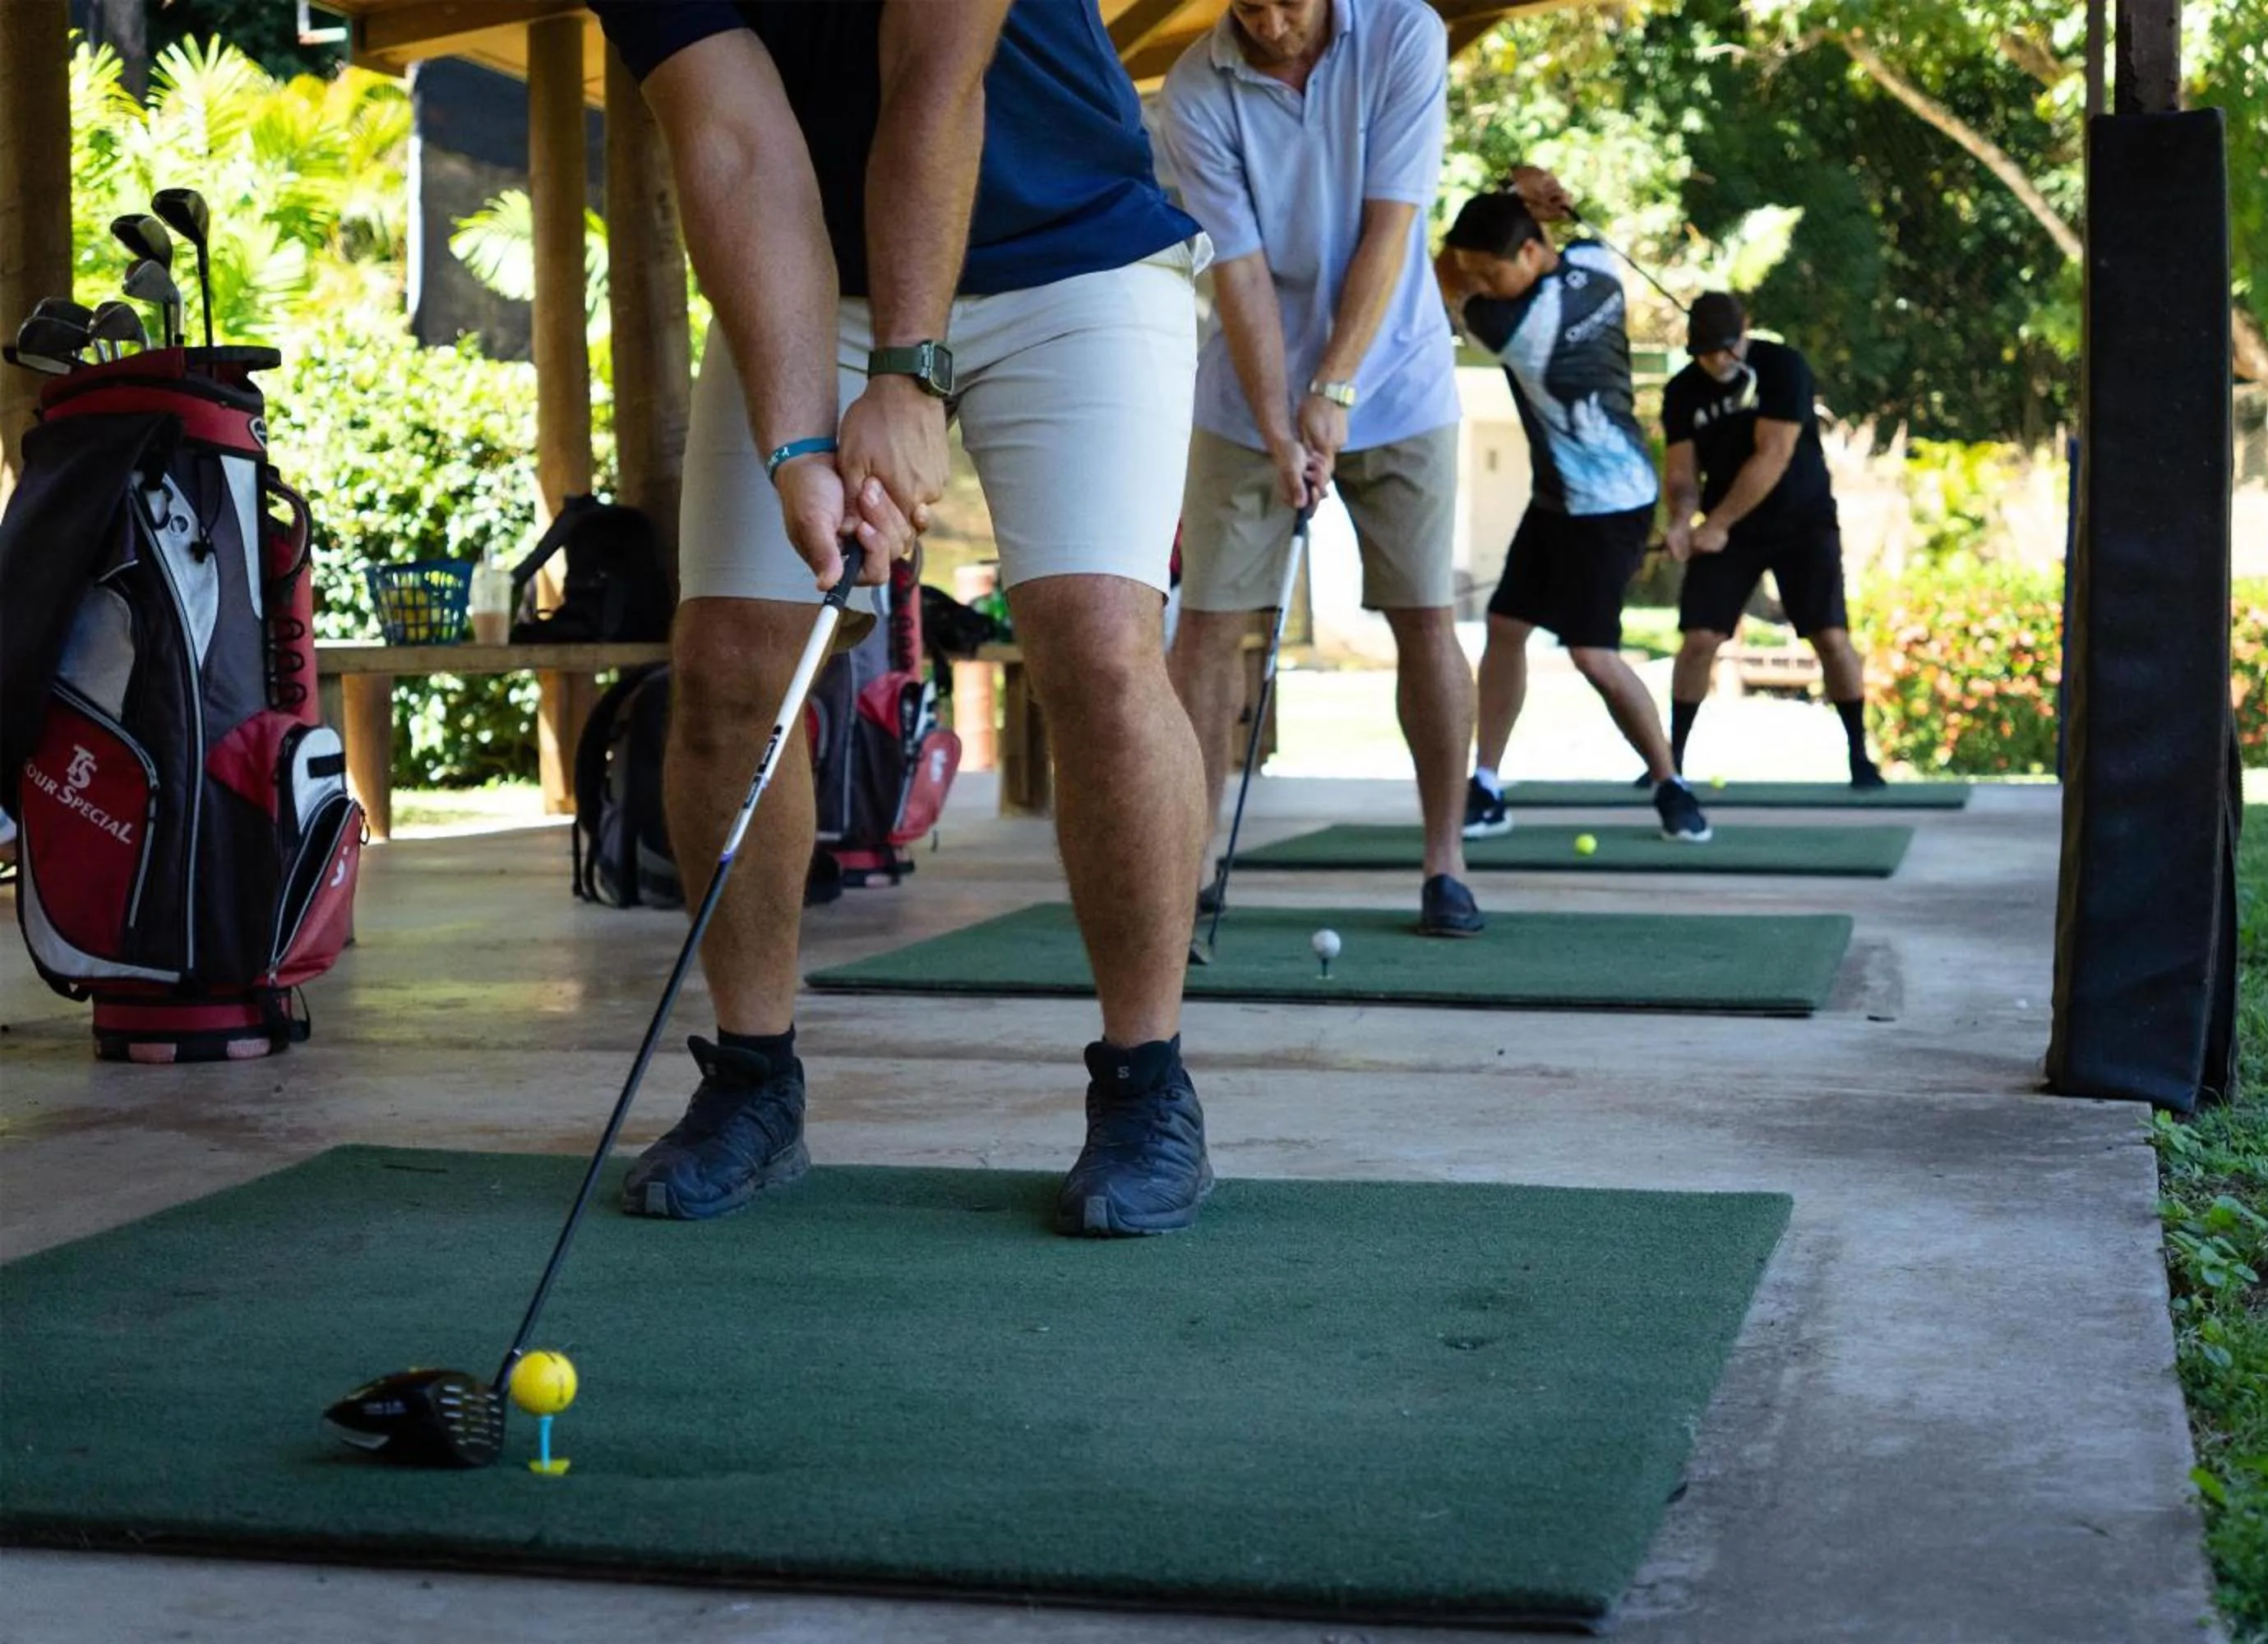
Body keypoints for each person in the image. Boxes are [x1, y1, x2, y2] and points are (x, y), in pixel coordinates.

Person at [594, 0, 1221, 1236]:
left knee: (1096, 643)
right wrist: (791, 447)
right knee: (726, 663)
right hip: (815, 271)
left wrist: (908, 372)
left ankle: (1148, 1086)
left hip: (1077, 256)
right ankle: (754, 1084)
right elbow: (731, 140)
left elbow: (938, 76)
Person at [1157, 0, 1484, 938]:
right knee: (1211, 625)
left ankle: (1445, 863)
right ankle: (1187, 858)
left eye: (1289, 0)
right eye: (1248, 3)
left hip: (1403, 375)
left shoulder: (1404, 33)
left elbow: (1392, 227)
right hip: (1244, 394)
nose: (1271, 21)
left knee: (1424, 613)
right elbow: (1241, 273)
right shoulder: (1194, 89)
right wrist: (1277, 422)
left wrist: (1333, 389)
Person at [1435, 179, 1711, 845]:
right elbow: (1483, 255)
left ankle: (1671, 784)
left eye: (1492, 271)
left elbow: (1438, 278)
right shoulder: (1598, 264)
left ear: (1531, 253)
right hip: (1557, 498)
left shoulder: (1517, 327)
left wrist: (1512, 193)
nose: (1481, 282)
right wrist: (1521, 201)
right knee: (1505, 626)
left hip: (1610, 505)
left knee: (1593, 654)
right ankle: (1489, 784)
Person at [1660, 293, 1886, 788]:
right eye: (1705, 351)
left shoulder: (1782, 367)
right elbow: (1680, 472)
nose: (1717, 360)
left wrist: (1715, 524)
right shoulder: (1682, 392)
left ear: (1746, 330)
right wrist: (1681, 520)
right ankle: (1670, 764)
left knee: (1830, 637)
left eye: (1725, 347)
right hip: (1728, 531)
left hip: (1801, 521)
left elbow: (1772, 454)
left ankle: (1859, 758)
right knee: (1699, 641)